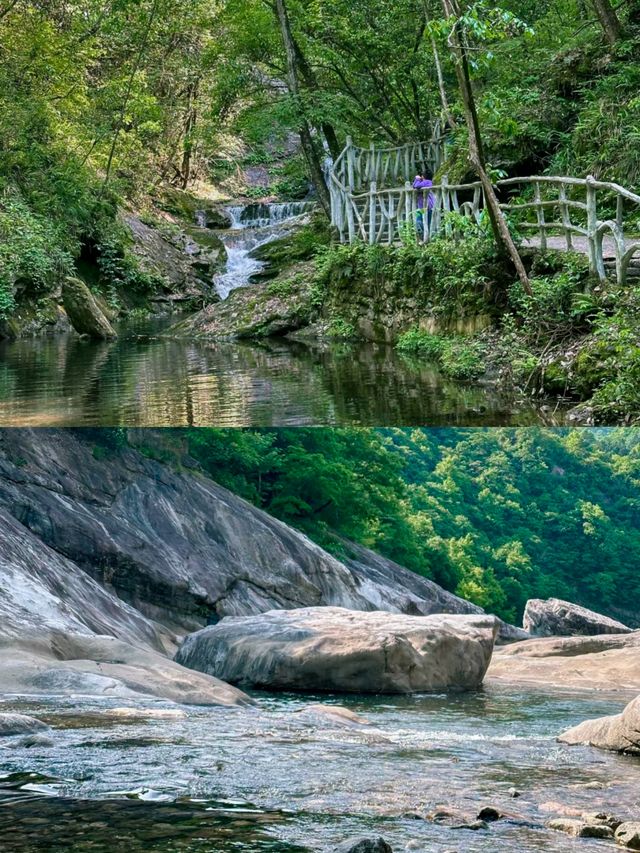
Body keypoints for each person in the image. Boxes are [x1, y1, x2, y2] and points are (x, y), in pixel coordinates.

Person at [413, 167, 434, 239]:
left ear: (423, 176)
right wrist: (417, 179)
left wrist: (417, 179)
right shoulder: (425, 182)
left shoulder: (427, 182)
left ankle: (425, 237)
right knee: (420, 220)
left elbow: (416, 186)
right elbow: (414, 186)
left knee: (422, 221)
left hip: (427, 207)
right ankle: (423, 236)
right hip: (423, 207)